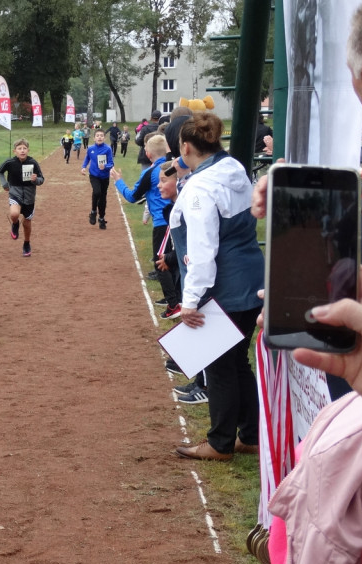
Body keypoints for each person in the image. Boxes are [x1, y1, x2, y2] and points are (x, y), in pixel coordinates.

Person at [171, 112, 263, 462]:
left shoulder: (200, 187)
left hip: (226, 286)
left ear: (185, 145)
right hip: (252, 278)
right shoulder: (233, 168)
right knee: (237, 361)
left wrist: (191, 301)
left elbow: (203, 250)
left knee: (220, 364)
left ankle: (220, 442)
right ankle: (250, 434)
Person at [110, 134, 180, 318]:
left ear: (148, 154)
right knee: (174, 259)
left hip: (162, 222)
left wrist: (118, 181)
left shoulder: (150, 173)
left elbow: (133, 197)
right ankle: (176, 299)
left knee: (161, 262)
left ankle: (173, 304)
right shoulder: (174, 165)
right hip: (179, 219)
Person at [0, 139, 44, 258]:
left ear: (28, 150)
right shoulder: (10, 162)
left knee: (27, 223)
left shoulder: (33, 162)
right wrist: (4, 184)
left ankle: (26, 243)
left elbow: (42, 179)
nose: (22, 151)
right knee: (14, 213)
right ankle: (15, 223)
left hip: (29, 196)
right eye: (19, 148)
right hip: (15, 193)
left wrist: (36, 180)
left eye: (24, 148)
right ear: (15, 151)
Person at [80, 128, 114, 229]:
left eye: (101, 135)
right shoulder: (91, 149)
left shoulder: (107, 149)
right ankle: (93, 211)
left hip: (104, 177)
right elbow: (87, 158)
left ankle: (102, 218)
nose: (99, 137)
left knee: (103, 198)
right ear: (94, 138)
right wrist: (83, 167)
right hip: (94, 175)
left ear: (104, 138)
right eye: (97, 135)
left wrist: (105, 167)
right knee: (96, 192)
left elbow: (111, 163)